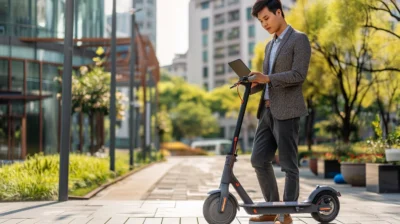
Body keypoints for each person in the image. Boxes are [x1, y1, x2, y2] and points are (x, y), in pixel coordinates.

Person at [247, 0, 311, 223]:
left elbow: (298, 75)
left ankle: (287, 214)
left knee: (289, 165)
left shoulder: (299, 39)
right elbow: (268, 81)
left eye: (266, 18)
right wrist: (252, 84)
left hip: (287, 111)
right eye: (261, 21)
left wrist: (268, 78)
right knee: (258, 159)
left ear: (279, 12)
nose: (264, 24)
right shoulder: (269, 45)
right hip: (266, 112)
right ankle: (273, 208)